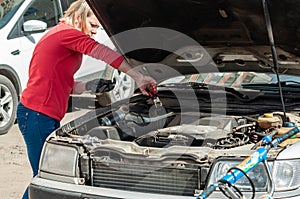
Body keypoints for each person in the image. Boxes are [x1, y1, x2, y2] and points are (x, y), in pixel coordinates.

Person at [16, 0, 157, 198]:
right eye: (92, 25)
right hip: (37, 114)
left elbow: (61, 82)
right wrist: (138, 77)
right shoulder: (66, 33)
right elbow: (103, 52)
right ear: (79, 16)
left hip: (40, 113)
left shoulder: (58, 35)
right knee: (45, 176)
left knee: (47, 175)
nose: (93, 32)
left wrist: (89, 86)